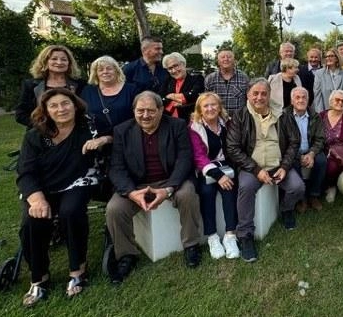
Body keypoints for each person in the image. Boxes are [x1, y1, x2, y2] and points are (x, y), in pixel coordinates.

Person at [17, 88, 104, 306]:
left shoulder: (88, 127)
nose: (61, 109)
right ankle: (39, 277)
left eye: (65, 104)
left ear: (75, 105)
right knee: (32, 220)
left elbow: (113, 136)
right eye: (53, 105)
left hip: (78, 181)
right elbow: (25, 171)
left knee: (71, 212)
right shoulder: (34, 136)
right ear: (45, 110)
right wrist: (36, 198)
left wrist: (103, 140)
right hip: (42, 187)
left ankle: (78, 270)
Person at [106, 91, 203, 283]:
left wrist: (168, 189)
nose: (145, 115)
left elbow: (185, 159)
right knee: (114, 209)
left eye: (151, 110)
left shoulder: (177, 125)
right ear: (134, 111)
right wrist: (131, 193)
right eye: (140, 110)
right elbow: (116, 168)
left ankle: (191, 245)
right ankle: (127, 255)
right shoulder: (121, 131)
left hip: (171, 180)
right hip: (136, 185)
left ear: (160, 110)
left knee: (188, 195)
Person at [226, 79, 305, 263]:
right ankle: (245, 235)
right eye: (255, 93)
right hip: (252, 166)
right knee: (245, 189)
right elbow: (232, 147)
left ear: (270, 95)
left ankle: (286, 209)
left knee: (298, 187)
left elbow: (294, 141)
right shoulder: (240, 115)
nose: (259, 97)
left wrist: (285, 166)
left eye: (264, 93)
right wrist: (255, 170)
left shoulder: (283, 115)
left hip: (278, 164)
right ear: (248, 95)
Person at [189, 92, 240, 260]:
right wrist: (218, 175)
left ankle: (230, 235)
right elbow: (199, 156)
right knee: (206, 192)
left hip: (227, 166)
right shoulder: (195, 128)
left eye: (214, 105)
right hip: (207, 169)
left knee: (230, 190)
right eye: (206, 106)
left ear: (219, 107)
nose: (210, 109)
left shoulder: (227, 123)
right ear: (199, 109)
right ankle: (212, 237)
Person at [15, 45, 85, 128]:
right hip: (41, 134)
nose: (59, 62)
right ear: (45, 62)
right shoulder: (31, 85)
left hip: (74, 133)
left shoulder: (80, 84)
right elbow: (21, 114)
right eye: (54, 59)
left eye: (64, 59)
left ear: (69, 63)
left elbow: (85, 110)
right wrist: (42, 127)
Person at [285, 87, 327, 212]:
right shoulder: (284, 116)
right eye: (297, 97)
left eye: (304, 97)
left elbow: (320, 139)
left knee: (322, 161)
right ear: (292, 101)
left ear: (308, 100)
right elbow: (284, 142)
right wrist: (299, 156)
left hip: (311, 150)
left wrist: (312, 154)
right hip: (292, 152)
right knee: (294, 163)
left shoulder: (315, 116)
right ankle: (301, 198)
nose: (301, 100)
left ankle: (314, 195)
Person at [81, 56, 137, 139]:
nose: (105, 72)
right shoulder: (87, 91)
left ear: (116, 71)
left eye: (109, 68)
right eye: (100, 69)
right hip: (97, 142)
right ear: (95, 73)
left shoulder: (132, 90)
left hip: (127, 138)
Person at [204, 50, 250, 117]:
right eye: (223, 57)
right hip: (216, 119)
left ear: (234, 60)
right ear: (218, 61)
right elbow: (205, 101)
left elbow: (248, 100)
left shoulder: (244, 78)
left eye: (229, 57)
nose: (226, 59)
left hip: (238, 120)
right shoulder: (210, 79)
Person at [159, 52, 204, 121]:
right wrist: (183, 99)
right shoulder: (167, 81)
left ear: (183, 64)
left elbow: (195, 96)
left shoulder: (197, 79)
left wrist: (171, 96)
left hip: (190, 121)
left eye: (176, 66)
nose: (174, 70)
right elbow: (160, 100)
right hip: (168, 121)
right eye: (170, 68)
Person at [313, 48, 343, 113]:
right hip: (325, 111)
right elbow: (317, 97)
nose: (328, 58)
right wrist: (321, 114)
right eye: (326, 56)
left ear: (337, 58)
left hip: (341, 111)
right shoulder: (319, 73)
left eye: (331, 56)